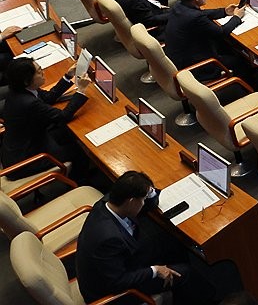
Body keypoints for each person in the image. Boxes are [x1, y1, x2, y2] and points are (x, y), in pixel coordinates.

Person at [76, 171, 197, 305]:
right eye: (143, 199)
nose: (144, 202)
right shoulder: (109, 239)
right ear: (132, 202)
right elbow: (118, 282)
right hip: (115, 291)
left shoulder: (108, 202)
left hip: (123, 259)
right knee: (185, 272)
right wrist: (155, 271)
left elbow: (146, 204)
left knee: (168, 242)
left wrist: (149, 191)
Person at [1, 57, 91, 170]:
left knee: (66, 132)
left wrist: (68, 75)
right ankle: (80, 182)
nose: (43, 72)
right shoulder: (28, 102)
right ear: (26, 80)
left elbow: (48, 97)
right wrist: (81, 90)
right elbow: (64, 116)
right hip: (26, 159)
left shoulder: (20, 89)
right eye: (39, 71)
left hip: (28, 140)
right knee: (77, 150)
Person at [161, 0, 246, 80]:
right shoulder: (195, 17)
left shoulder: (179, 5)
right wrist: (236, 17)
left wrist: (224, 11)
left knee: (226, 46)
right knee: (241, 62)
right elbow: (221, 32)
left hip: (180, 56)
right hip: (196, 66)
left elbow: (202, 13)